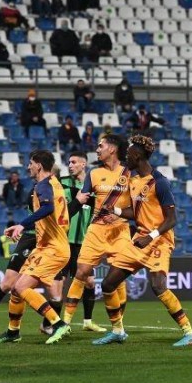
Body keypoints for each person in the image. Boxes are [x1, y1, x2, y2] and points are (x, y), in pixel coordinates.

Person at [92, 135, 192, 346]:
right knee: (108, 283)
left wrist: (150, 237)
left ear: (138, 155)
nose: (125, 157)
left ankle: (190, 333)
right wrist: (113, 209)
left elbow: (172, 219)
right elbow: (136, 212)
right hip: (140, 240)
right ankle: (117, 331)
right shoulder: (133, 181)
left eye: (129, 153)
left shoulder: (160, 182)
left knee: (158, 286)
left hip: (159, 241)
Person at [0, 150, 73, 345]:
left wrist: (21, 225)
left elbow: (48, 208)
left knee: (20, 286)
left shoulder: (43, 185)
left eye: (30, 163)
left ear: (39, 166)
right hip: (47, 246)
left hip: (54, 248)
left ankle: (57, 323)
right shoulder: (55, 183)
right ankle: (13, 332)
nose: (28, 167)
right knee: (16, 290)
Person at [61, 134, 132, 328]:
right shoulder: (93, 174)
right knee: (81, 272)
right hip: (96, 230)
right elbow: (82, 199)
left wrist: (121, 216)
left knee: (118, 277)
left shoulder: (129, 173)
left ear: (112, 149)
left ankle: (118, 327)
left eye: (101, 146)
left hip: (120, 230)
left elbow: (139, 207)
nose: (97, 149)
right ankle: (65, 324)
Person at [50, 151, 105, 335]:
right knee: (58, 286)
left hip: (83, 244)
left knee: (89, 282)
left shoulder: (95, 188)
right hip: (63, 242)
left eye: (74, 162)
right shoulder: (61, 183)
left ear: (83, 164)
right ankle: (51, 324)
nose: (70, 165)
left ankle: (87, 321)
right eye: (69, 162)